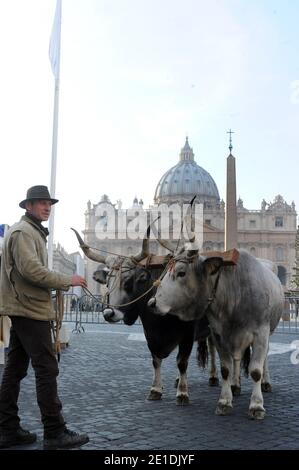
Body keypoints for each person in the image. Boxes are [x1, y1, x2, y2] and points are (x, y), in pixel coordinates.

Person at [0, 185, 89, 450]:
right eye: (41, 203)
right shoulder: (24, 232)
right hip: (29, 310)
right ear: (28, 206)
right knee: (46, 369)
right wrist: (67, 280)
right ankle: (54, 432)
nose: (47, 207)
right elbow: (33, 272)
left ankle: (7, 430)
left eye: (49, 203)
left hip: (25, 308)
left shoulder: (31, 231)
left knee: (14, 370)